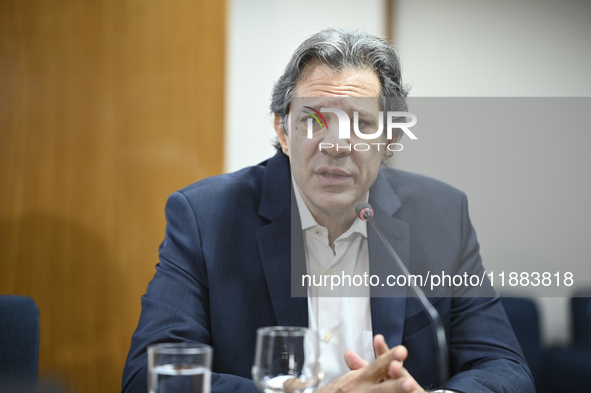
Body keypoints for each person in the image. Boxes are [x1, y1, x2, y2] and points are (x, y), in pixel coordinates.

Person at [122, 29, 534, 393]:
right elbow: (151, 375)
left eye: (360, 123)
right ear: (283, 132)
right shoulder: (205, 217)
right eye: (313, 120)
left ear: (389, 139)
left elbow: (505, 368)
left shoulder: (441, 215)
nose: (336, 144)